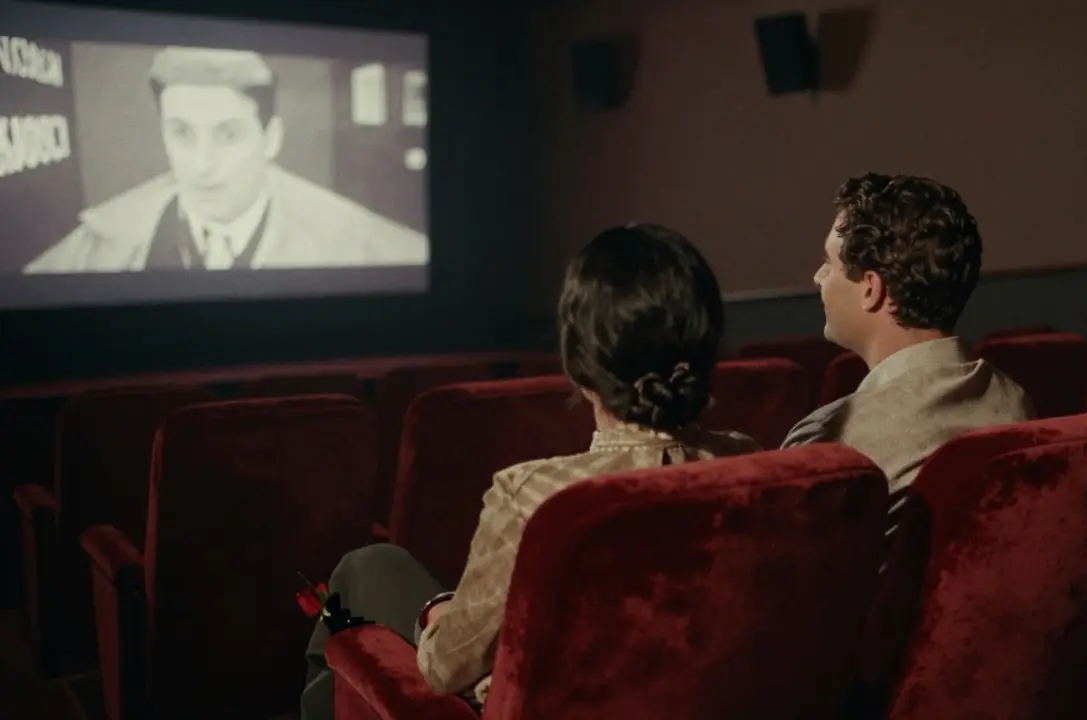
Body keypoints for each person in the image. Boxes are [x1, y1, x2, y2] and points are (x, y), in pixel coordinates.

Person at [299, 223, 759, 718]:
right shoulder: (760, 469)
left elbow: (444, 668)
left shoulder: (539, 496)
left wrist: (437, 612)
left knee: (362, 572)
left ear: (578, 363)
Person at [24, 47, 428, 273]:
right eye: (181, 132)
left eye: (228, 134)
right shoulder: (101, 240)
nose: (201, 164)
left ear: (271, 140)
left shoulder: (367, 246)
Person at [782, 173, 1035, 492]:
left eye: (828, 263)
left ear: (870, 289)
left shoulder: (827, 440)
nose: (818, 277)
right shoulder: (1015, 402)